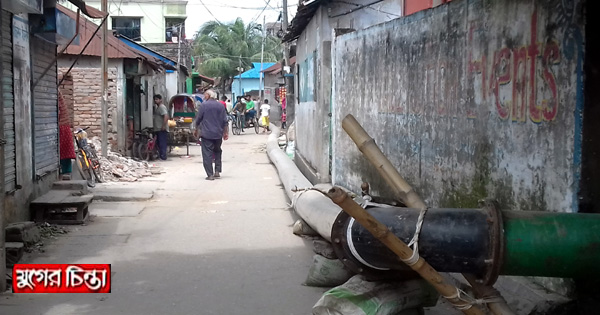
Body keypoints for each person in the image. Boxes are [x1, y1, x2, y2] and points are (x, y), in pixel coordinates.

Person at [194, 89, 229, 180]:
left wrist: (196, 128)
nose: (204, 96)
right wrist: (225, 132)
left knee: (207, 154)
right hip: (218, 134)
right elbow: (225, 121)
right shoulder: (221, 106)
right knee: (217, 151)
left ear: (209, 96)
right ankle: (217, 171)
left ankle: (210, 174)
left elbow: (198, 119)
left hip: (207, 134)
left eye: (205, 95)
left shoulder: (204, 105)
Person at [153, 94, 169, 160]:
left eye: (157, 99)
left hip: (161, 129)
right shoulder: (158, 107)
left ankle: (163, 156)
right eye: (155, 99)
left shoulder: (162, 107)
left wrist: (163, 126)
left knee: (162, 143)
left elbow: (166, 116)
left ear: (160, 100)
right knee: (159, 143)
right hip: (158, 128)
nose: (155, 101)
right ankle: (161, 155)